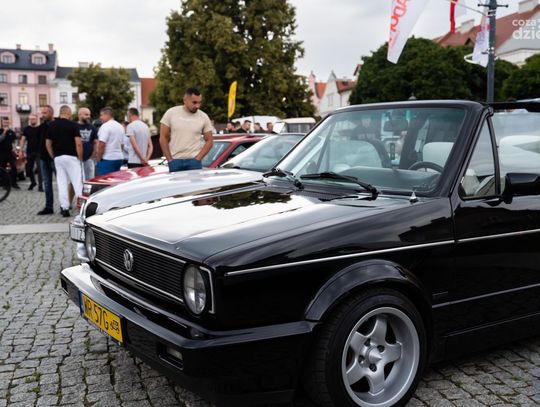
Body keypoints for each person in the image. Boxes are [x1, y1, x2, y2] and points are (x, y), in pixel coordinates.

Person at [159, 88, 213, 172]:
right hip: (175, 161)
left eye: (199, 102)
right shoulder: (171, 113)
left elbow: (209, 140)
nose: (197, 106)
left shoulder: (203, 116)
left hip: (194, 162)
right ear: (185, 100)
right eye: (194, 102)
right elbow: (163, 137)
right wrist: (169, 159)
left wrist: (198, 158)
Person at [45, 105, 83, 217]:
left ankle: (64, 208)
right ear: (69, 113)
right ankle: (82, 207)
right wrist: (80, 158)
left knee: (62, 183)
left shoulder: (51, 125)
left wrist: (53, 156)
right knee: (77, 182)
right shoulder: (74, 125)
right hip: (72, 157)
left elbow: (47, 143)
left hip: (58, 158)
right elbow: (78, 143)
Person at [95, 107, 125, 176]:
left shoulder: (105, 126)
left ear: (107, 115)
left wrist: (99, 158)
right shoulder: (120, 126)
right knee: (116, 180)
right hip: (119, 158)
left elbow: (102, 144)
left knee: (104, 180)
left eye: (101, 115)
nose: (100, 117)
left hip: (107, 158)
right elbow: (122, 145)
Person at [37, 106, 55, 214]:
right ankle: (49, 207)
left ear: (51, 113)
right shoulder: (41, 127)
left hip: (55, 158)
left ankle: (64, 206)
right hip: (43, 159)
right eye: (42, 112)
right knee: (47, 184)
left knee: (62, 183)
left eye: (45, 113)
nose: (42, 115)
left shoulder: (56, 125)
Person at [19, 114, 42, 190]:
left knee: (40, 169)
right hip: (30, 151)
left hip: (39, 151)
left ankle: (40, 186)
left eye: (33, 119)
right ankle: (33, 182)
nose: (32, 120)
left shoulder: (40, 128)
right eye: (31, 119)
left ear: (36, 119)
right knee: (29, 169)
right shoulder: (27, 129)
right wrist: (21, 150)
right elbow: (23, 140)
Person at [77, 108, 98, 180]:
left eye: (89, 115)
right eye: (86, 114)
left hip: (89, 158)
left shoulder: (92, 127)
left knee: (89, 180)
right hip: (76, 159)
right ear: (79, 115)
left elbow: (96, 142)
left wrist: (93, 155)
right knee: (77, 180)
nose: (88, 116)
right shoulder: (74, 126)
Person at [0, 118, 19, 189]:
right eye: (4, 122)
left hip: (10, 152)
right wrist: (4, 132)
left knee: (14, 167)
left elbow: (14, 141)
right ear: (2, 123)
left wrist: (14, 148)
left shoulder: (11, 132)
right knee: (2, 168)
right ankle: (4, 184)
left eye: (7, 122)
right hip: (2, 152)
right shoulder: (0, 131)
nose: (6, 124)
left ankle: (14, 183)